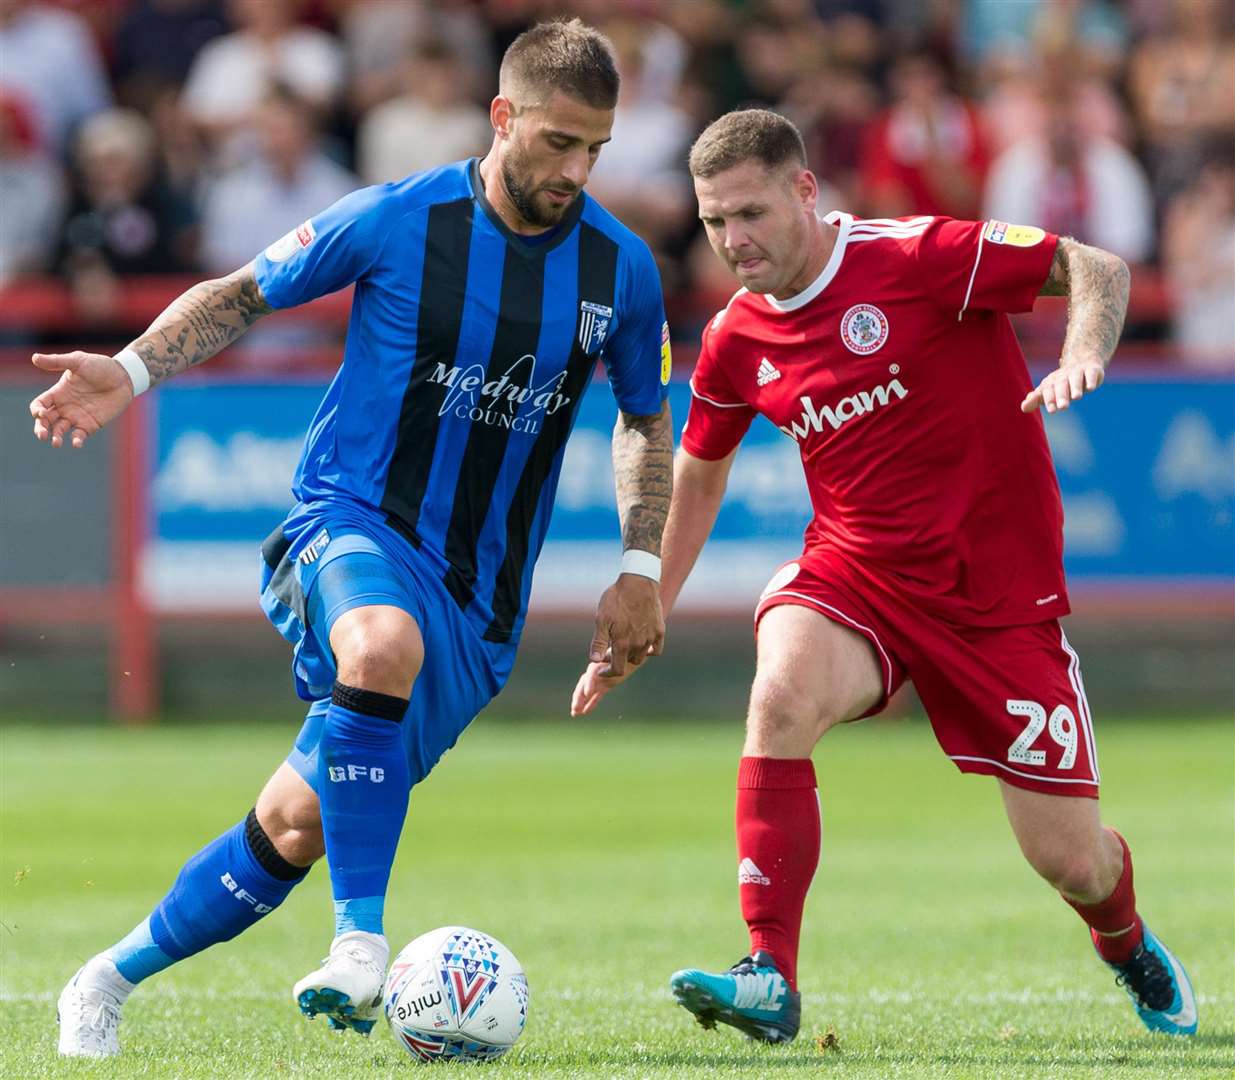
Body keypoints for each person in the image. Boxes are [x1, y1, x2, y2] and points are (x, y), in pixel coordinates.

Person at [34, 18, 674, 1058]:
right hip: (348, 520)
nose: (576, 168)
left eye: (594, 147)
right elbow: (243, 293)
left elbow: (646, 415)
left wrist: (640, 568)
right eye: (557, 141)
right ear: (501, 116)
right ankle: (360, 941)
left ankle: (103, 979)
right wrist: (134, 368)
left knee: (294, 822)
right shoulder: (396, 218)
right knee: (377, 645)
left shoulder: (620, 269)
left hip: (478, 605)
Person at [572, 108, 1196, 1043]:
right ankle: (768, 973)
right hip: (855, 576)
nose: (734, 242)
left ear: (804, 192)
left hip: (995, 605)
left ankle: (1126, 942)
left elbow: (1095, 269)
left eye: (751, 214)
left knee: (1072, 863)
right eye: (713, 224)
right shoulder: (738, 337)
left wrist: (1079, 355)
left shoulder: (916, 258)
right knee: (778, 695)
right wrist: (646, 605)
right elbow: (698, 473)